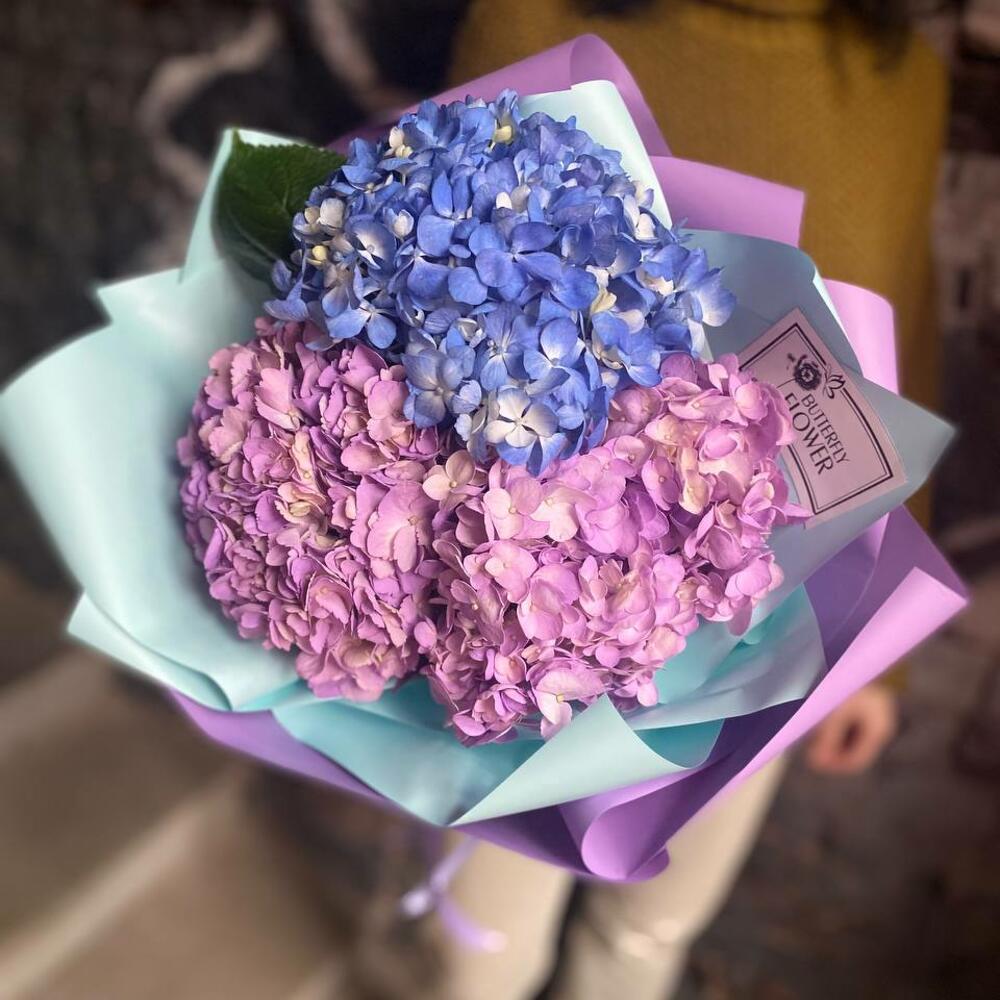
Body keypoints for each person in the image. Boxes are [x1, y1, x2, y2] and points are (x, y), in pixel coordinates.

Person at [415, 2, 946, 997]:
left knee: (647, 934)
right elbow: (430, 294)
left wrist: (882, 657)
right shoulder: (535, 13)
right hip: (525, 609)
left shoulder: (903, 80)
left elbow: (902, 339)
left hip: (775, 615)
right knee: (482, 950)